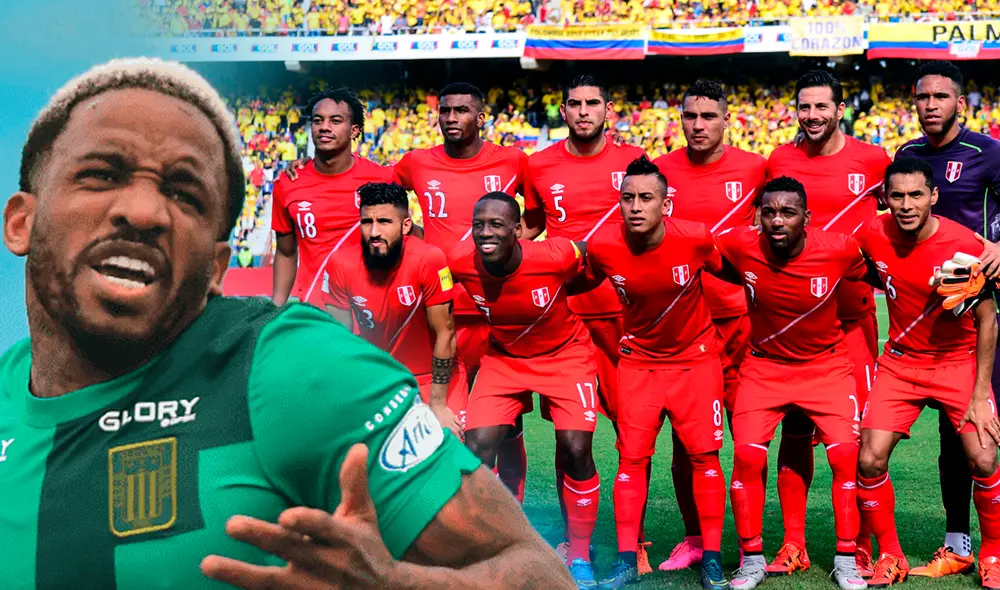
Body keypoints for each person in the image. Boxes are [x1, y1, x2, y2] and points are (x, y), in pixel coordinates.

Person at [0, 57, 573, 590]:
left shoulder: (296, 374)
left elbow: (538, 573)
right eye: (101, 174)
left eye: (185, 194)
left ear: (217, 267)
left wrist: (405, 585)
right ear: (20, 223)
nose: (145, 212)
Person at [765, 70, 892, 576]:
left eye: (822, 107)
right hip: (793, 324)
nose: (813, 116)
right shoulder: (780, 160)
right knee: (794, 432)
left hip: (852, 320)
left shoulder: (873, 160)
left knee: (859, 440)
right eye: (804, 107)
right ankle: (793, 544)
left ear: (841, 109)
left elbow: (891, 225)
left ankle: (860, 542)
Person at [582, 156, 729, 589]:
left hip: (695, 362)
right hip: (639, 364)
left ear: (666, 204)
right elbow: (577, 281)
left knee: (704, 458)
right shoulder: (604, 247)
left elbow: (731, 271)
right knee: (630, 459)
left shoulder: (696, 239)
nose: (635, 206)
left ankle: (713, 558)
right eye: (627, 198)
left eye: (646, 198)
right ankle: (629, 558)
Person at [520, 73, 648, 568]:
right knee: (570, 438)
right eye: (574, 103)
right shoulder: (540, 164)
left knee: (632, 435)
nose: (583, 112)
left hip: (623, 315)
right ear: (564, 109)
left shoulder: (635, 161)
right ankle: (575, 545)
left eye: (593, 102)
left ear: (608, 108)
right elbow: (532, 227)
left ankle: (632, 543)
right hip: (566, 319)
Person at [855, 157, 1000, 588]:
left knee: (984, 456)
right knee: (869, 457)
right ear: (885, 198)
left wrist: (979, 396)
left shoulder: (964, 245)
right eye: (896, 195)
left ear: (933, 196)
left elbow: (989, 320)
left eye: (916, 194)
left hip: (956, 363)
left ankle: (992, 555)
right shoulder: (871, 234)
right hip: (899, 364)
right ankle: (890, 556)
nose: (905, 204)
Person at [720, 177, 868, 590]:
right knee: (747, 458)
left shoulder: (838, 249)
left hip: (827, 368)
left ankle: (845, 558)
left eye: (787, 212)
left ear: (807, 216)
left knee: (844, 459)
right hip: (764, 368)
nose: (777, 220)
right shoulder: (738, 245)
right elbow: (700, 255)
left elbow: (882, 270)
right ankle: (751, 559)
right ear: (758, 216)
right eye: (768, 212)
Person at [449, 192, 602, 589]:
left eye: (497, 225)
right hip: (504, 361)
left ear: (517, 231)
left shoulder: (553, 255)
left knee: (576, 449)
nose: (486, 232)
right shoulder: (458, 261)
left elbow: (595, 252)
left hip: (566, 356)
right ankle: (489, 544)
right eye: (479, 224)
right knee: (476, 450)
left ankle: (580, 554)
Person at [392, 82, 531, 503]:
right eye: (446, 110)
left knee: (507, 424)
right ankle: (455, 514)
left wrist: (506, 256)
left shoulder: (513, 161)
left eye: (462, 111)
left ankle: (514, 512)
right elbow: (380, 196)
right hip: (441, 314)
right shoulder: (416, 163)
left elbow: (536, 216)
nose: (451, 118)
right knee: (446, 421)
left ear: (481, 117)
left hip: (496, 311)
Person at [652, 79, 766, 572]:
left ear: (726, 119)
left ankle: (749, 541)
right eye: (691, 116)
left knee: (747, 437)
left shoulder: (756, 168)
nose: (698, 125)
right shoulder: (660, 171)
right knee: (686, 440)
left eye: (708, 116)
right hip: (681, 324)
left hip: (740, 320)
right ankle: (696, 536)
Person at [895, 60, 1000, 578]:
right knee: (956, 434)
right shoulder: (908, 157)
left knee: (989, 426)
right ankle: (958, 544)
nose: (931, 105)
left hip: (990, 310)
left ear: (961, 101)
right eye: (923, 97)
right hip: (939, 318)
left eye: (941, 96)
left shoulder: (989, 153)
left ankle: (994, 548)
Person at [318, 182, 467, 440]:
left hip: (435, 377)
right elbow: (340, 341)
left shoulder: (430, 259)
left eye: (385, 221)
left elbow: (446, 335)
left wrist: (438, 405)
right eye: (367, 222)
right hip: (380, 379)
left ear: (406, 225)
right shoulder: (340, 264)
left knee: (450, 454)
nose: (374, 231)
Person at [271, 88, 392, 306]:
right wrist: (274, 308)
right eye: (318, 120)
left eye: (335, 120)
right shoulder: (287, 184)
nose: (324, 127)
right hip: (315, 314)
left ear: (354, 130)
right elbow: (286, 253)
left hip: (371, 314)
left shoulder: (383, 178)